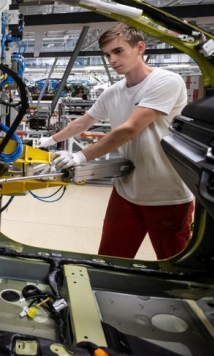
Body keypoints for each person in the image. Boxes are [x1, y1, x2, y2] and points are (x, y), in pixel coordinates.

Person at [34, 24, 194, 260]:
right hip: (126, 190)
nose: (112, 59)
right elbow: (83, 123)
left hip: (166, 193)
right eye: (107, 54)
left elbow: (129, 129)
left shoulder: (166, 81)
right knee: (110, 258)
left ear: (140, 47)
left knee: (174, 263)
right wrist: (49, 140)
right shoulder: (113, 92)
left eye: (118, 51)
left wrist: (80, 156)